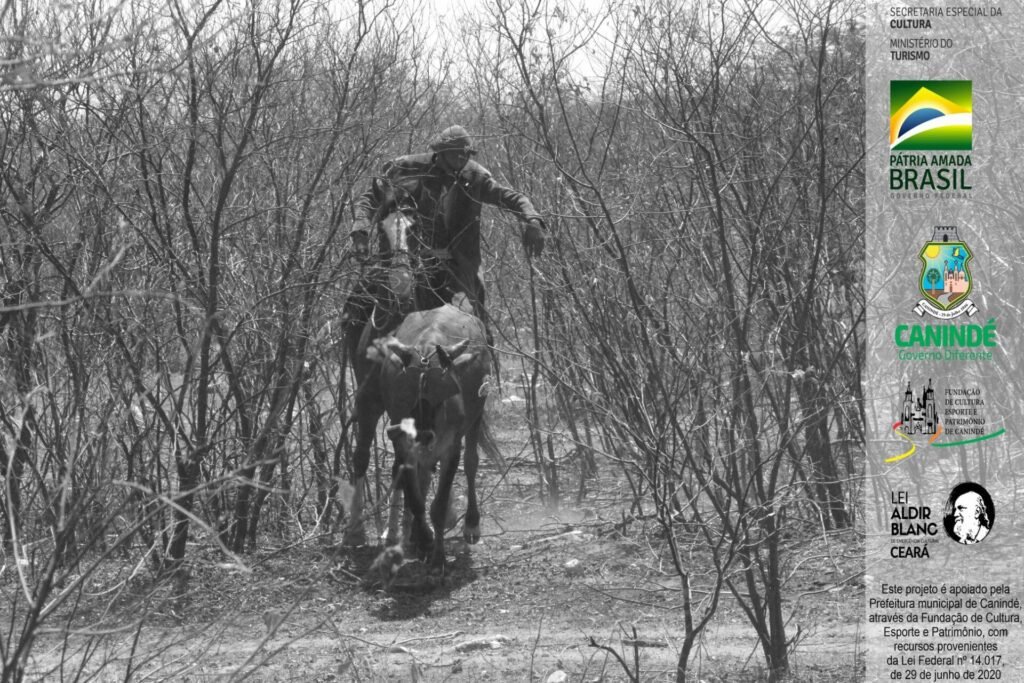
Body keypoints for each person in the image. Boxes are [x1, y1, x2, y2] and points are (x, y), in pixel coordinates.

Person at [343, 125, 547, 352]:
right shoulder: (405, 168)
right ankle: (375, 369)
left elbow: (511, 197)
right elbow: (370, 199)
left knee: (475, 321)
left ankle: (482, 379)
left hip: (457, 262)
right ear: (439, 153)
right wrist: (360, 231)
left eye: (465, 154)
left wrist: (533, 220)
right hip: (408, 259)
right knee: (388, 309)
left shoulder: (476, 177)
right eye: (455, 153)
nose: (461, 158)